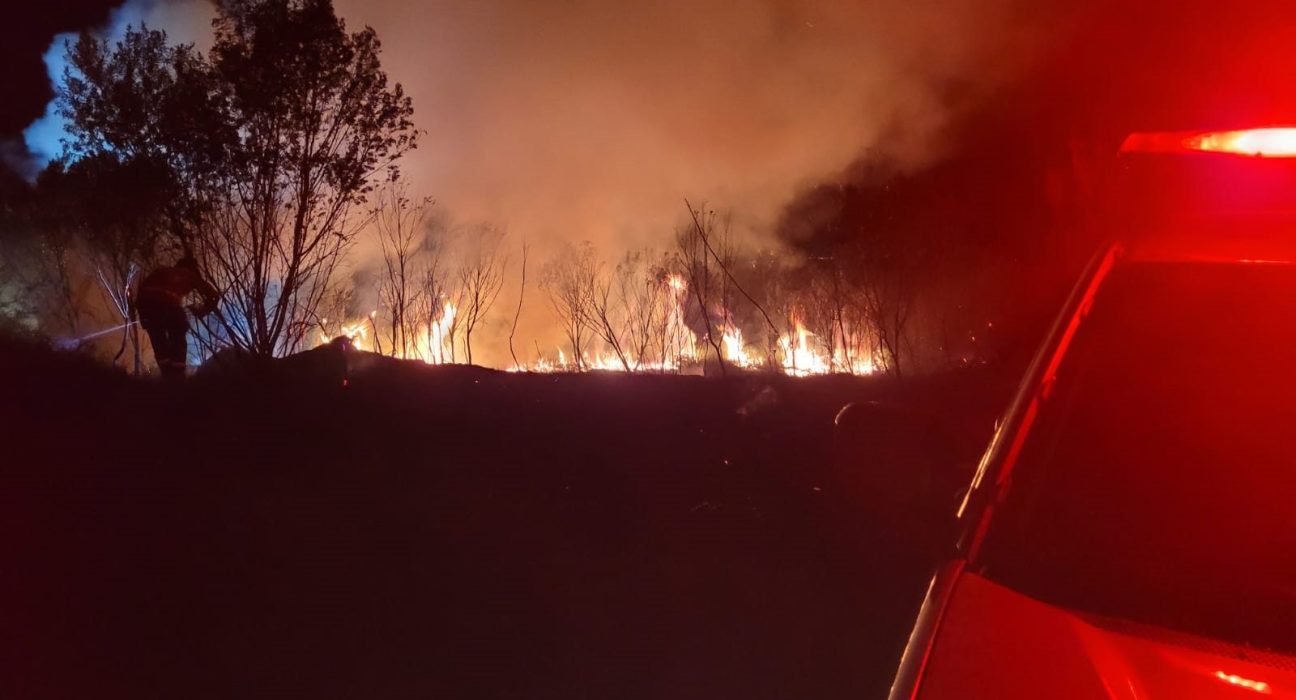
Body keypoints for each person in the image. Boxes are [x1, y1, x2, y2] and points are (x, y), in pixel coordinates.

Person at [132, 256, 220, 381]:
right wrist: (202, 311)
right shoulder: (189, 274)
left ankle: (167, 376)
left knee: (158, 340)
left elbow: (142, 294)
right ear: (191, 268)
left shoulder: (160, 271)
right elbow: (214, 295)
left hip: (145, 307)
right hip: (164, 303)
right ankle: (177, 379)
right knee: (178, 337)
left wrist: (144, 318)